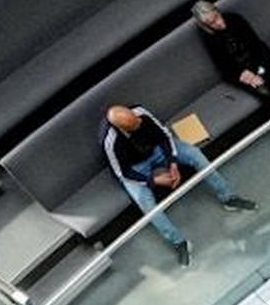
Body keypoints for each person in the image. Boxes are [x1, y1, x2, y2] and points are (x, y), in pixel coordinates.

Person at [101, 103, 253, 266]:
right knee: (144, 201)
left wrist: (172, 162)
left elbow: (165, 136)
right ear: (124, 129)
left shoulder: (140, 113)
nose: (139, 123)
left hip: (156, 149)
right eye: (135, 125)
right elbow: (122, 173)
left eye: (137, 120)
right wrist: (153, 180)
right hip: (136, 167)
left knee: (195, 154)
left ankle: (228, 197)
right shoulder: (110, 140)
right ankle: (179, 242)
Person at [191, 0, 270, 160]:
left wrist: (258, 71)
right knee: (266, 94)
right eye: (210, 23)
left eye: (215, 18)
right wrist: (246, 75)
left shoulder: (235, 20)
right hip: (240, 71)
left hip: (260, 60)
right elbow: (223, 65)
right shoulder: (209, 37)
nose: (216, 24)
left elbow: (256, 45)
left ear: (217, 11)